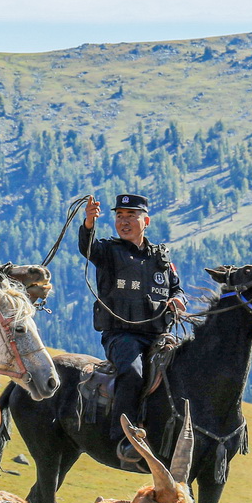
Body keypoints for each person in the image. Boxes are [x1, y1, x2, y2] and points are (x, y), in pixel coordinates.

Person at [79, 193, 184, 465]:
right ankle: (125, 437)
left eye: (131, 216)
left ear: (145, 220)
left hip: (160, 336)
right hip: (121, 335)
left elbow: (176, 287)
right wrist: (89, 222)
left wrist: (178, 300)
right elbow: (87, 247)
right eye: (119, 216)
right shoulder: (108, 252)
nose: (123, 222)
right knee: (134, 373)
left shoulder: (160, 257)